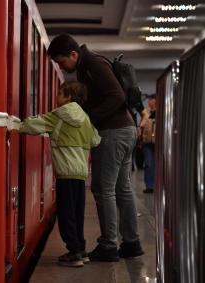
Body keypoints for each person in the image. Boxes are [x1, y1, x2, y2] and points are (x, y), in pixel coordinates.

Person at [47, 33, 144, 262]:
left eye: (62, 62)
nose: (63, 67)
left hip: (112, 132)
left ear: (73, 54)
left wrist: (89, 119)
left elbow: (117, 96)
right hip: (124, 130)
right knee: (122, 189)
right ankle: (131, 243)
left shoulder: (92, 63)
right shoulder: (88, 64)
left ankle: (109, 245)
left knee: (103, 189)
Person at [19, 81, 101, 267]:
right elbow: (95, 140)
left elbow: (33, 125)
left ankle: (74, 253)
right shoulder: (86, 118)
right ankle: (80, 249)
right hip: (80, 173)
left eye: (60, 93)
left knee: (66, 214)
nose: (56, 97)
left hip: (65, 172)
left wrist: (16, 124)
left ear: (68, 97)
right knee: (77, 214)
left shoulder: (60, 114)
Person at [141, 94, 156, 193]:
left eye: (151, 100)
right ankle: (149, 186)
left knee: (158, 164)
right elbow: (142, 125)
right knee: (148, 164)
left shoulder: (163, 111)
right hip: (147, 143)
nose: (149, 102)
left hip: (158, 143)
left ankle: (157, 185)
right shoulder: (146, 112)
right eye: (149, 100)